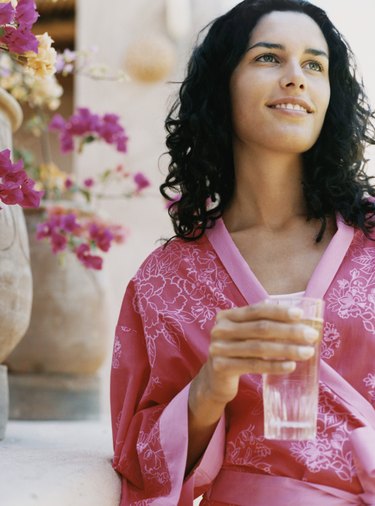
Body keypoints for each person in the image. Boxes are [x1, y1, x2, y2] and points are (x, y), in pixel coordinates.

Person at [110, 0, 375, 504]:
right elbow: (138, 464)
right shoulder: (167, 279)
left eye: (315, 65)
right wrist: (210, 386)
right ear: (222, 86)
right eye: (268, 58)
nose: (296, 77)